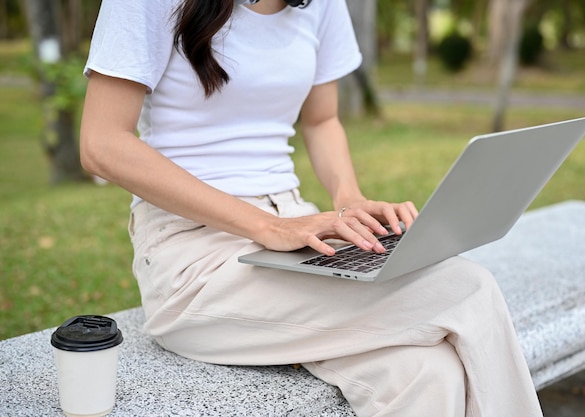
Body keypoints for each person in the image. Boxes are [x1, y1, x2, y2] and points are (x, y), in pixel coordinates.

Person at [79, 0, 544, 416]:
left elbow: (321, 120)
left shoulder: (320, 4)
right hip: (192, 256)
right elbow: (102, 144)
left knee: (427, 374)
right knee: (467, 289)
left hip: (300, 233)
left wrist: (352, 202)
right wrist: (266, 225)